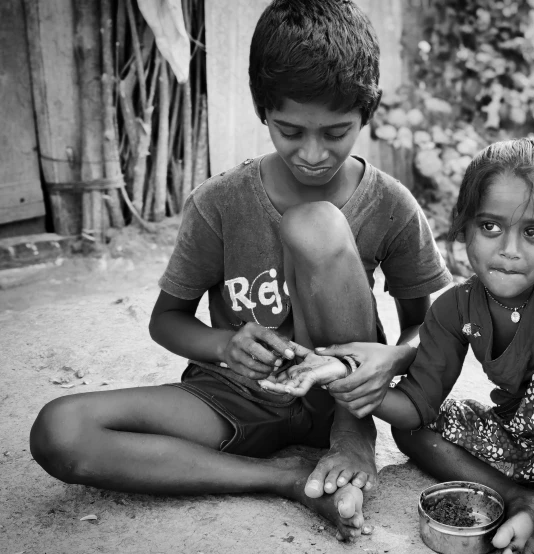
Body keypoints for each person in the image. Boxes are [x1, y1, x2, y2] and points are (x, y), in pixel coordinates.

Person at [28, 0, 452, 542]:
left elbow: (429, 325)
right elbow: (168, 320)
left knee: (315, 224)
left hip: (336, 398)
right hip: (239, 396)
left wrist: (389, 358)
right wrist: (227, 346)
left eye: (337, 132)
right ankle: (285, 479)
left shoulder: (390, 204)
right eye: (290, 130)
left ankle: (350, 437)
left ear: (366, 113)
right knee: (61, 431)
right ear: (261, 108)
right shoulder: (219, 203)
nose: (314, 153)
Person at [267, 138, 534, 553]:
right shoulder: (456, 307)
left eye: (533, 232)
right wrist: (343, 375)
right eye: (490, 227)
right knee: (415, 430)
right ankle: (527, 497)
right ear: (464, 227)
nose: (509, 250)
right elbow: (417, 405)